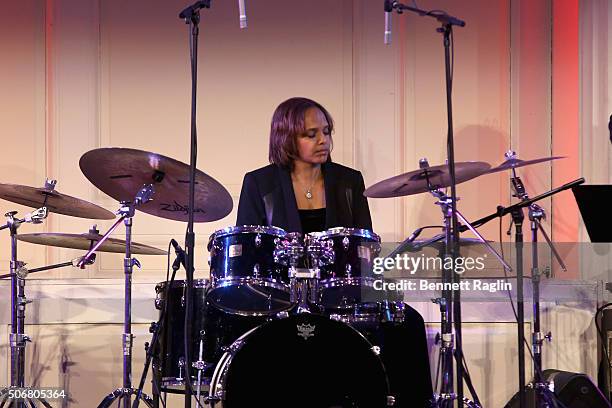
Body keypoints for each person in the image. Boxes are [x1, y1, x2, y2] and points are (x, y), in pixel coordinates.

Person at [236, 97, 372, 234]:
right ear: (286, 138)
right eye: (311, 135)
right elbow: (246, 247)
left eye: (326, 132)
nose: (323, 140)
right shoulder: (259, 183)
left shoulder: (350, 180)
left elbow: (366, 245)